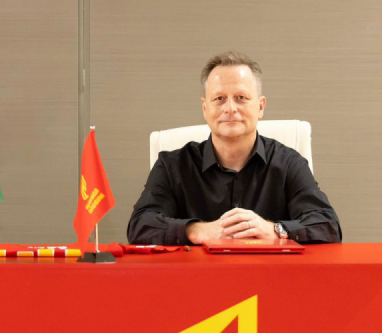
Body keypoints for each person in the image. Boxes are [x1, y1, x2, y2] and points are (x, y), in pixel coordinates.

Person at [127, 51, 341, 245]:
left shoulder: (289, 163)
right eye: (219, 98)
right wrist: (198, 231)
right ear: (205, 108)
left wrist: (274, 230)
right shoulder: (172, 165)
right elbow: (140, 225)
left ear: (260, 106)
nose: (230, 108)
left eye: (241, 98)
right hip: (199, 274)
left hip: (269, 274)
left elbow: (327, 225)